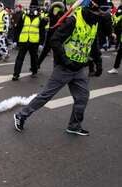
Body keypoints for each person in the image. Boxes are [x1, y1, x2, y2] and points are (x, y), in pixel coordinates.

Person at [14, 0, 110, 136]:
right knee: (46, 95)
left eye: (100, 14)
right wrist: (65, 61)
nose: (98, 17)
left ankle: (74, 126)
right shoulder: (73, 20)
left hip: (79, 68)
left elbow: (93, 43)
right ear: (87, 9)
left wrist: (99, 63)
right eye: (96, 13)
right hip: (65, 67)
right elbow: (55, 40)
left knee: (82, 97)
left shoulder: (94, 22)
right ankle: (21, 115)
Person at [12, 0, 47, 81]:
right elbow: (18, 29)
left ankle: (34, 71)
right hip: (23, 40)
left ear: (37, 8)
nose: (32, 9)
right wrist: (15, 40)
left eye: (34, 7)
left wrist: (41, 43)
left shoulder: (40, 17)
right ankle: (16, 74)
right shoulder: (24, 16)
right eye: (31, 7)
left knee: (34, 57)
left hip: (34, 41)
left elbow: (42, 31)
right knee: (20, 58)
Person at [37, 2, 65, 69]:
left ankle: (37, 64)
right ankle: (37, 64)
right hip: (54, 34)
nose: (55, 11)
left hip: (55, 34)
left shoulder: (58, 14)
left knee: (52, 52)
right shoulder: (53, 14)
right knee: (50, 51)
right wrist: (44, 20)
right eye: (54, 9)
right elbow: (43, 23)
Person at [107, 5, 122, 74]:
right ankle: (115, 68)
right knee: (119, 53)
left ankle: (115, 68)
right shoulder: (120, 7)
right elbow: (116, 17)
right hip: (119, 32)